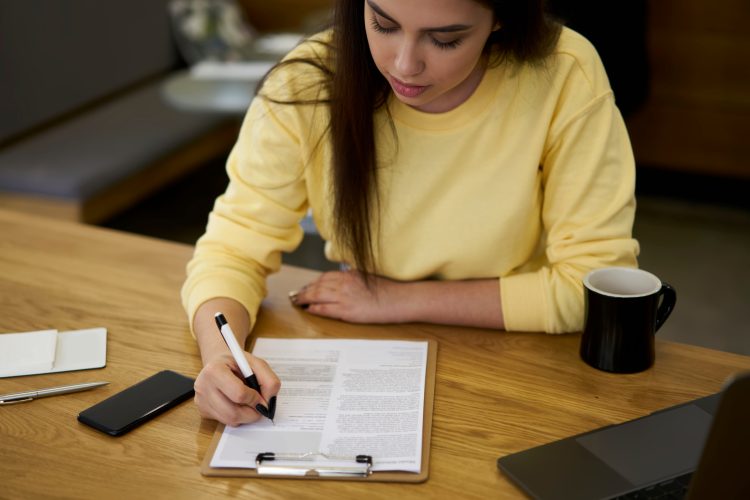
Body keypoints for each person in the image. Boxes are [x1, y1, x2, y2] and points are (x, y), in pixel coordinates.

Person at [182, 0, 640, 426]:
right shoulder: (306, 83)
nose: (404, 65)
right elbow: (232, 249)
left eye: (445, 39)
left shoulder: (564, 73)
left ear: (501, 16)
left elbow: (595, 287)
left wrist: (396, 299)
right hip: (370, 350)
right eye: (383, 24)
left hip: (524, 357)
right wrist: (221, 355)